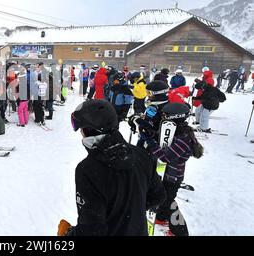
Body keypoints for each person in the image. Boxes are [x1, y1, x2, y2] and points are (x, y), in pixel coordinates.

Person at [58, 100, 166, 236]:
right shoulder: (141, 154)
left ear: (88, 131)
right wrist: (130, 210)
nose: (81, 133)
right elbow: (158, 196)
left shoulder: (88, 170)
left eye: (81, 129)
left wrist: (68, 233)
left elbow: (92, 232)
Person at [150, 103, 203, 236]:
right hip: (167, 173)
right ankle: (161, 218)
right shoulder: (174, 130)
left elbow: (165, 156)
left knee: (169, 202)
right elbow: (162, 142)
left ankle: (179, 232)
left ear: (175, 117)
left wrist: (151, 144)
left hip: (173, 177)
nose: (163, 118)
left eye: (165, 116)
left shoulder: (184, 138)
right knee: (163, 197)